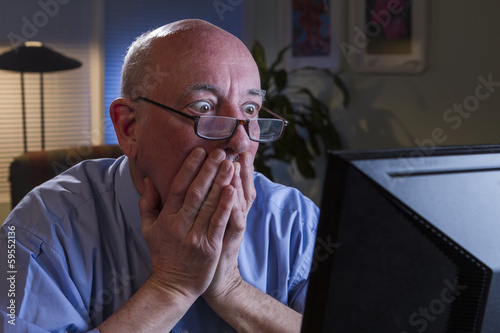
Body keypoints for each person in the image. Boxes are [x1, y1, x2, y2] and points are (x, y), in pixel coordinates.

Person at [0, 19, 319, 332]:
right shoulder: (35, 233)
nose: (240, 141)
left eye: (250, 110)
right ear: (129, 128)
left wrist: (232, 290)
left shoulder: (296, 223)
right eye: (204, 108)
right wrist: (172, 286)